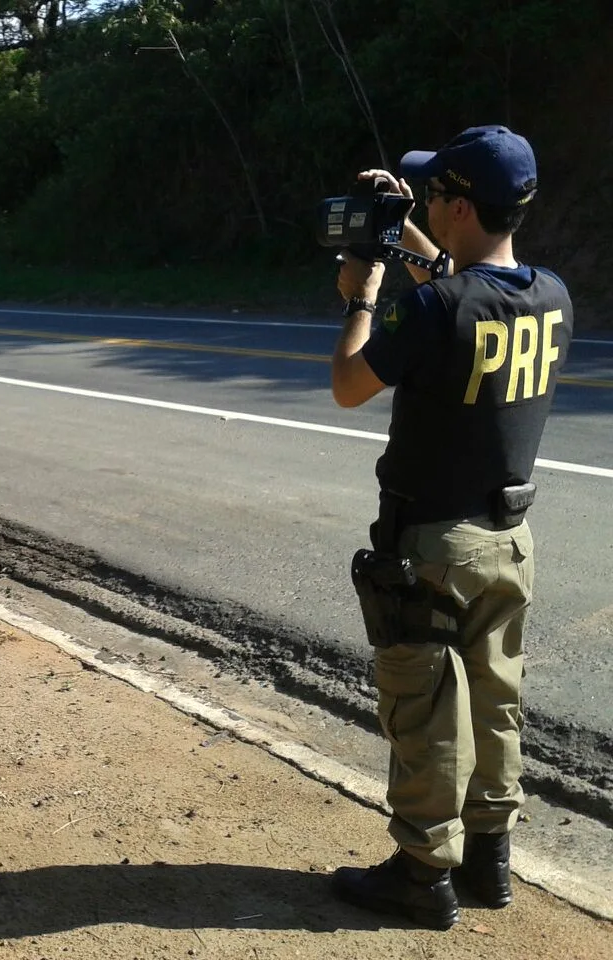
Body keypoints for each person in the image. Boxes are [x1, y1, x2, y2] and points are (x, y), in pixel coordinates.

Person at [326, 125, 574, 930]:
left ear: (461, 205)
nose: (428, 201)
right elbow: (463, 283)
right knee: (497, 701)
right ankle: (488, 859)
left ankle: (420, 871)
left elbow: (349, 385)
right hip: (509, 541)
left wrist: (363, 291)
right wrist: (405, 229)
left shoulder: (433, 308)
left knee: (426, 710)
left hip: (432, 544)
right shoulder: (552, 296)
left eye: (435, 194)